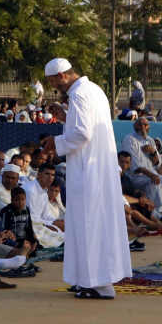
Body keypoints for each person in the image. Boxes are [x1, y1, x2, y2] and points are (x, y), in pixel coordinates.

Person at [41, 58, 132, 299]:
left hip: (88, 170)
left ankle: (98, 284)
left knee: (89, 225)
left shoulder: (80, 95)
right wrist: (65, 117)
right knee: (88, 225)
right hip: (96, 167)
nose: (54, 87)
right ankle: (87, 279)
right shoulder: (93, 90)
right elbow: (84, 125)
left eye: (53, 82)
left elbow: (82, 133)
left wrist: (55, 142)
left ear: (62, 75)